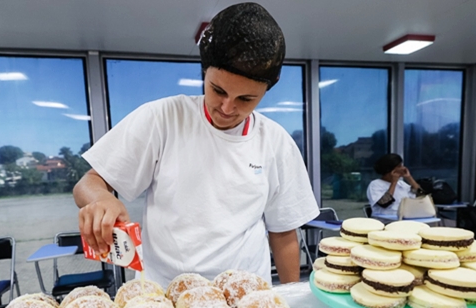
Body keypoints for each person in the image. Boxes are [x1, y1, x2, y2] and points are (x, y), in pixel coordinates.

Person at [74, 3, 318, 287]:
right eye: (218, 90)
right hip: (166, 294)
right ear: (204, 72)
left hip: (245, 296)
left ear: (269, 87)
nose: (227, 108)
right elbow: (88, 183)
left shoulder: (276, 143)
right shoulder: (162, 119)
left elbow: (284, 234)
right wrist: (102, 199)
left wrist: (290, 302)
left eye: (245, 99)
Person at [366, 153, 425, 218]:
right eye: (399, 166)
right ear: (390, 170)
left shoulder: (401, 184)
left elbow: (421, 196)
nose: (403, 168)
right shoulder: (375, 184)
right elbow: (384, 203)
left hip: (405, 218)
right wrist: (394, 182)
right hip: (385, 219)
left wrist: (409, 178)